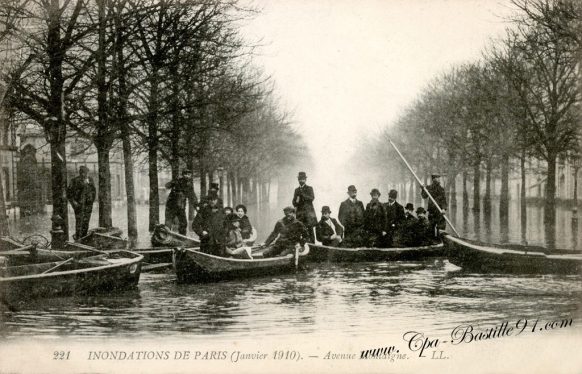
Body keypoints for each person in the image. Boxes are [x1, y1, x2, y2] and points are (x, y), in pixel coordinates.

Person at [67, 166, 96, 240]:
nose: (85, 175)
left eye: (86, 173)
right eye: (84, 173)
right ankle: (78, 238)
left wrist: (92, 201)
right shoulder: (74, 181)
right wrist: (74, 203)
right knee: (79, 222)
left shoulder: (90, 180)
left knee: (86, 222)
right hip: (79, 205)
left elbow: (94, 191)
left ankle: (84, 237)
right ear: (80, 173)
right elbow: (69, 194)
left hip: (88, 205)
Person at [164, 169, 197, 235]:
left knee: (183, 223)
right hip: (171, 206)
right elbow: (167, 186)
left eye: (189, 175)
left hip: (180, 207)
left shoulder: (189, 185)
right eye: (186, 174)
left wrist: (196, 205)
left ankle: (182, 237)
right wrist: (173, 182)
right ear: (183, 175)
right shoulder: (177, 181)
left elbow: (192, 196)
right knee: (169, 222)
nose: (188, 176)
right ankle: (166, 235)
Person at [292, 171, 317, 243]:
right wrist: (295, 202)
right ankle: (301, 246)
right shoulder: (296, 190)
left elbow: (312, 198)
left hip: (308, 214)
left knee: (310, 230)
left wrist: (303, 195)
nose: (301, 181)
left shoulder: (309, 188)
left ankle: (313, 246)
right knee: (300, 230)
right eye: (300, 179)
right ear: (298, 180)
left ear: (305, 180)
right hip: (300, 214)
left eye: (302, 179)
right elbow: (294, 202)